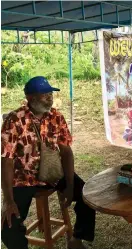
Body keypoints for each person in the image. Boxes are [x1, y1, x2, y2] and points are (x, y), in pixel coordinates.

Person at [1, 76, 96, 249]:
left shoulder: (56, 117)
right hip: (23, 178)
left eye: (50, 94)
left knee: (87, 197)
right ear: (31, 98)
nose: (50, 98)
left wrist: (69, 183)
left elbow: (66, 152)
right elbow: (6, 160)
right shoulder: (14, 120)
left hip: (52, 173)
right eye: (45, 95)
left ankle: (77, 239)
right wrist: (8, 200)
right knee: (8, 226)